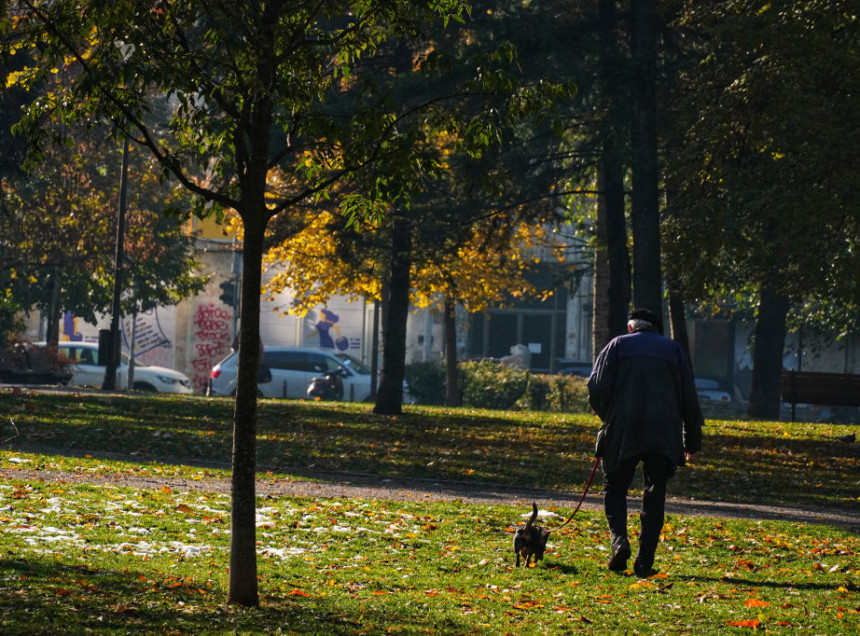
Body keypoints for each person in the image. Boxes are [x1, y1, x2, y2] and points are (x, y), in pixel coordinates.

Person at [587, 308, 703, 578]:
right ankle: (645, 561)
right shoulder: (673, 350)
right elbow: (689, 395)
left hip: (624, 430)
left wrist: (610, 417)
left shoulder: (616, 346)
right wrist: (692, 439)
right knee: (655, 493)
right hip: (664, 433)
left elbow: (596, 387)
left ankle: (620, 542)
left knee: (614, 486)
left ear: (631, 328)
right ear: (656, 329)